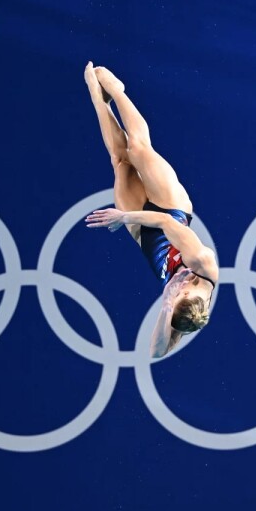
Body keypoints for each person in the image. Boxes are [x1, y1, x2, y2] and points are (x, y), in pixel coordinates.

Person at [82, 62, 218, 358]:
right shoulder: (203, 263)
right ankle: (117, 92)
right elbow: (165, 223)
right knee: (138, 149)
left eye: (178, 293)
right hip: (171, 209)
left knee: (120, 162)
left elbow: (156, 352)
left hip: (145, 237)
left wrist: (166, 305)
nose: (181, 287)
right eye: (183, 292)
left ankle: (97, 98)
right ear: (198, 298)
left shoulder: (182, 312)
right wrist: (124, 216)